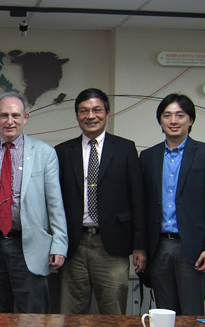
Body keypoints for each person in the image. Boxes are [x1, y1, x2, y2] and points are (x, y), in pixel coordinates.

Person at [0, 92, 67, 313]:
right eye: (4, 115)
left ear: (26, 117)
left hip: (29, 246)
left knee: (34, 319)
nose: (10, 121)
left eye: (16, 115)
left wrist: (59, 244)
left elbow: (55, 204)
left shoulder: (45, 153)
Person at [55, 88, 146, 315]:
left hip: (112, 246)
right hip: (73, 245)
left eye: (97, 110)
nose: (90, 116)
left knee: (113, 312)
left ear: (107, 113)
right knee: (71, 314)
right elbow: (54, 202)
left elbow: (137, 198)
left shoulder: (125, 149)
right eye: (84, 111)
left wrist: (139, 245)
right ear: (77, 115)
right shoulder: (63, 151)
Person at [139, 93, 205, 316]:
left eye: (180, 115)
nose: (174, 121)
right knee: (164, 315)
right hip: (158, 247)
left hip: (193, 249)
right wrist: (139, 246)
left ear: (191, 120)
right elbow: (141, 205)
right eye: (167, 115)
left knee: (191, 315)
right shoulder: (148, 157)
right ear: (160, 121)